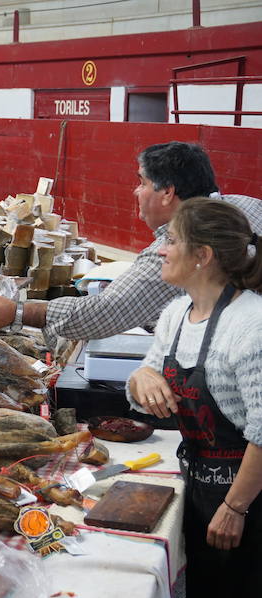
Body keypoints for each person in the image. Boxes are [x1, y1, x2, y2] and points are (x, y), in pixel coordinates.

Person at [0, 142, 262, 350]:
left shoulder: (181, 250)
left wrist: (16, 311)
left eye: (142, 182)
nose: (137, 191)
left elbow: (105, 312)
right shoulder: (248, 206)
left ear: (167, 192)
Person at [126, 198, 261, 596]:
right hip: (200, 485)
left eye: (170, 239)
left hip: (248, 501)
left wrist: (236, 508)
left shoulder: (251, 325)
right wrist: (142, 376)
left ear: (202, 255)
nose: (160, 250)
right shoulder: (177, 313)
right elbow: (140, 387)